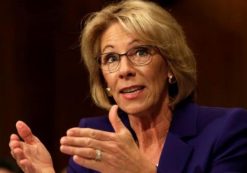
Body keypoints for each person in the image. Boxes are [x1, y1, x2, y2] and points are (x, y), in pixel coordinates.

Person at [9, 0, 247, 172]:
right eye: (111, 58)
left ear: (171, 66)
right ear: (104, 79)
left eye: (141, 52)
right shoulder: (98, 139)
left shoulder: (226, 131)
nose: (125, 70)